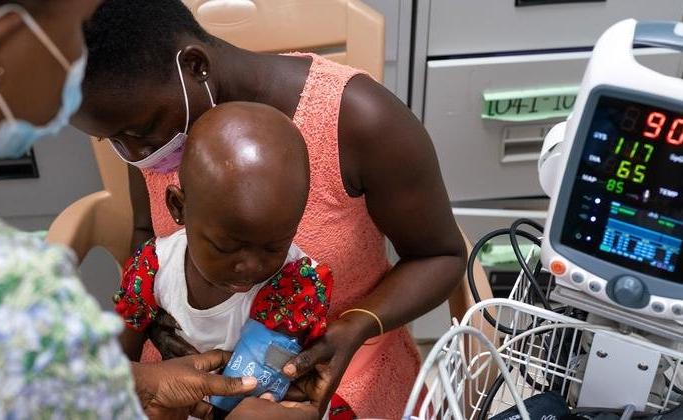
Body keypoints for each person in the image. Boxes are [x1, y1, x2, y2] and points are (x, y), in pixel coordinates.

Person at [73, 0, 467, 418]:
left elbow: (440, 256)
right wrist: (155, 322)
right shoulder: (157, 140)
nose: (137, 154)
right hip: (181, 375)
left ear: (194, 66)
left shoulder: (361, 120)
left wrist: (356, 324)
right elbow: (146, 238)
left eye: (139, 131)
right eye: (114, 140)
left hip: (332, 363)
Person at [0, 1, 321, 418]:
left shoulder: (293, 281)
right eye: (76, 36)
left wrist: (142, 382)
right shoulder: (9, 302)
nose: (82, 66)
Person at [113, 101, 352, 417]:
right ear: (178, 207)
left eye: (273, 248)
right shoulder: (152, 269)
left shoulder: (293, 283)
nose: (251, 267)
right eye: (226, 247)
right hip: (186, 400)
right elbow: (118, 367)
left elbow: (264, 379)